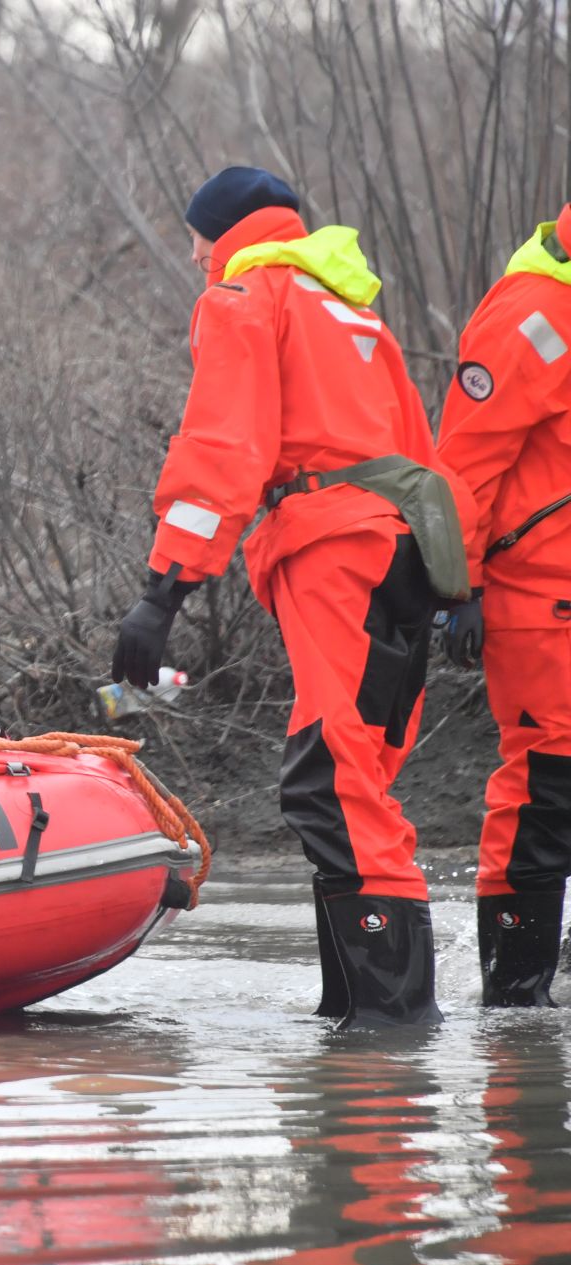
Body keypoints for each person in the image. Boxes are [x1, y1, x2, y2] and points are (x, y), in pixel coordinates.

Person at [109, 166, 473, 1029]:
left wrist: (164, 591)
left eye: (197, 237)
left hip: (332, 551)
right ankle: (351, 1015)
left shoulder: (248, 293)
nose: (194, 253)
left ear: (221, 234)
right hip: (406, 558)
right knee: (358, 781)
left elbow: (222, 448)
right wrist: (465, 588)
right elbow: (423, 454)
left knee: (334, 785)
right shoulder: (355, 310)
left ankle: (391, 1032)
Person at [435, 203, 571, 1007]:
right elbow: (463, 465)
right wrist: (463, 587)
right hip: (537, 597)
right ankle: (514, 1003)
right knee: (545, 790)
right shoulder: (530, 315)